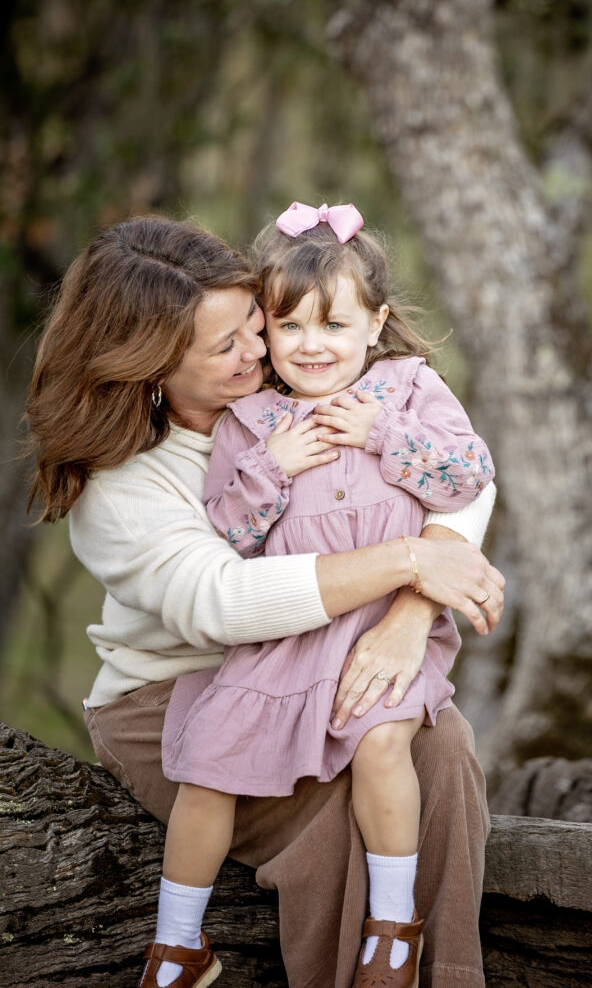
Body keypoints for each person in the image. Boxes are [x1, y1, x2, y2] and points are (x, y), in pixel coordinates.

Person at [24, 214, 504, 988]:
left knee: (438, 743)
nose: (259, 353)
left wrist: (412, 613)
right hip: (177, 687)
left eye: (255, 326)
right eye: (227, 347)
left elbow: (463, 481)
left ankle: (434, 968)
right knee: (330, 815)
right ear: (151, 365)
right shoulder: (124, 483)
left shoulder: (310, 380)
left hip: (335, 652)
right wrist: (409, 561)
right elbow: (223, 601)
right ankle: (219, 956)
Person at [160, 201, 495, 988]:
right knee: (208, 770)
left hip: (385, 626)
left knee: (383, 744)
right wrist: (272, 463)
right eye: (290, 327)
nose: (313, 346)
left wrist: (382, 433)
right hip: (288, 638)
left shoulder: (409, 391)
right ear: (265, 333)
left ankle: (390, 926)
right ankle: (176, 944)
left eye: (334, 326)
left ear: (375, 325)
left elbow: (467, 475)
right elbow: (228, 537)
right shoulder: (251, 421)